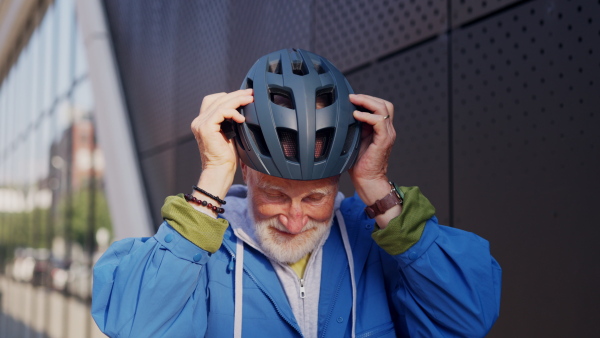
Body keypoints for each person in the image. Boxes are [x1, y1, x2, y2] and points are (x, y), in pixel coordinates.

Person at [91, 49, 501, 337]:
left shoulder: (375, 241)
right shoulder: (202, 257)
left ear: (340, 179)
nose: (294, 219)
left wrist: (378, 186)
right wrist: (214, 173)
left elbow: (466, 319)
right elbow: (137, 325)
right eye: (275, 193)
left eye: (315, 198)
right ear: (245, 171)